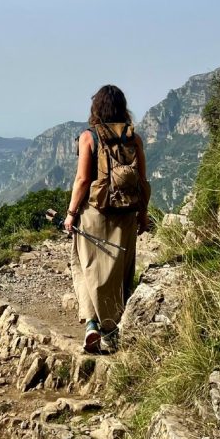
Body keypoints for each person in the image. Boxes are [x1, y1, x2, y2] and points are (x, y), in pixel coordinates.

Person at [63, 84, 150, 353]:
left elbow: (82, 179)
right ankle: (111, 329)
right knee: (118, 270)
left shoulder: (89, 137)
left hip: (95, 213)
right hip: (125, 213)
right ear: (123, 107)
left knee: (87, 266)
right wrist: (143, 215)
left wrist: (70, 214)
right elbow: (142, 181)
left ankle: (91, 324)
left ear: (96, 108)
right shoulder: (134, 138)